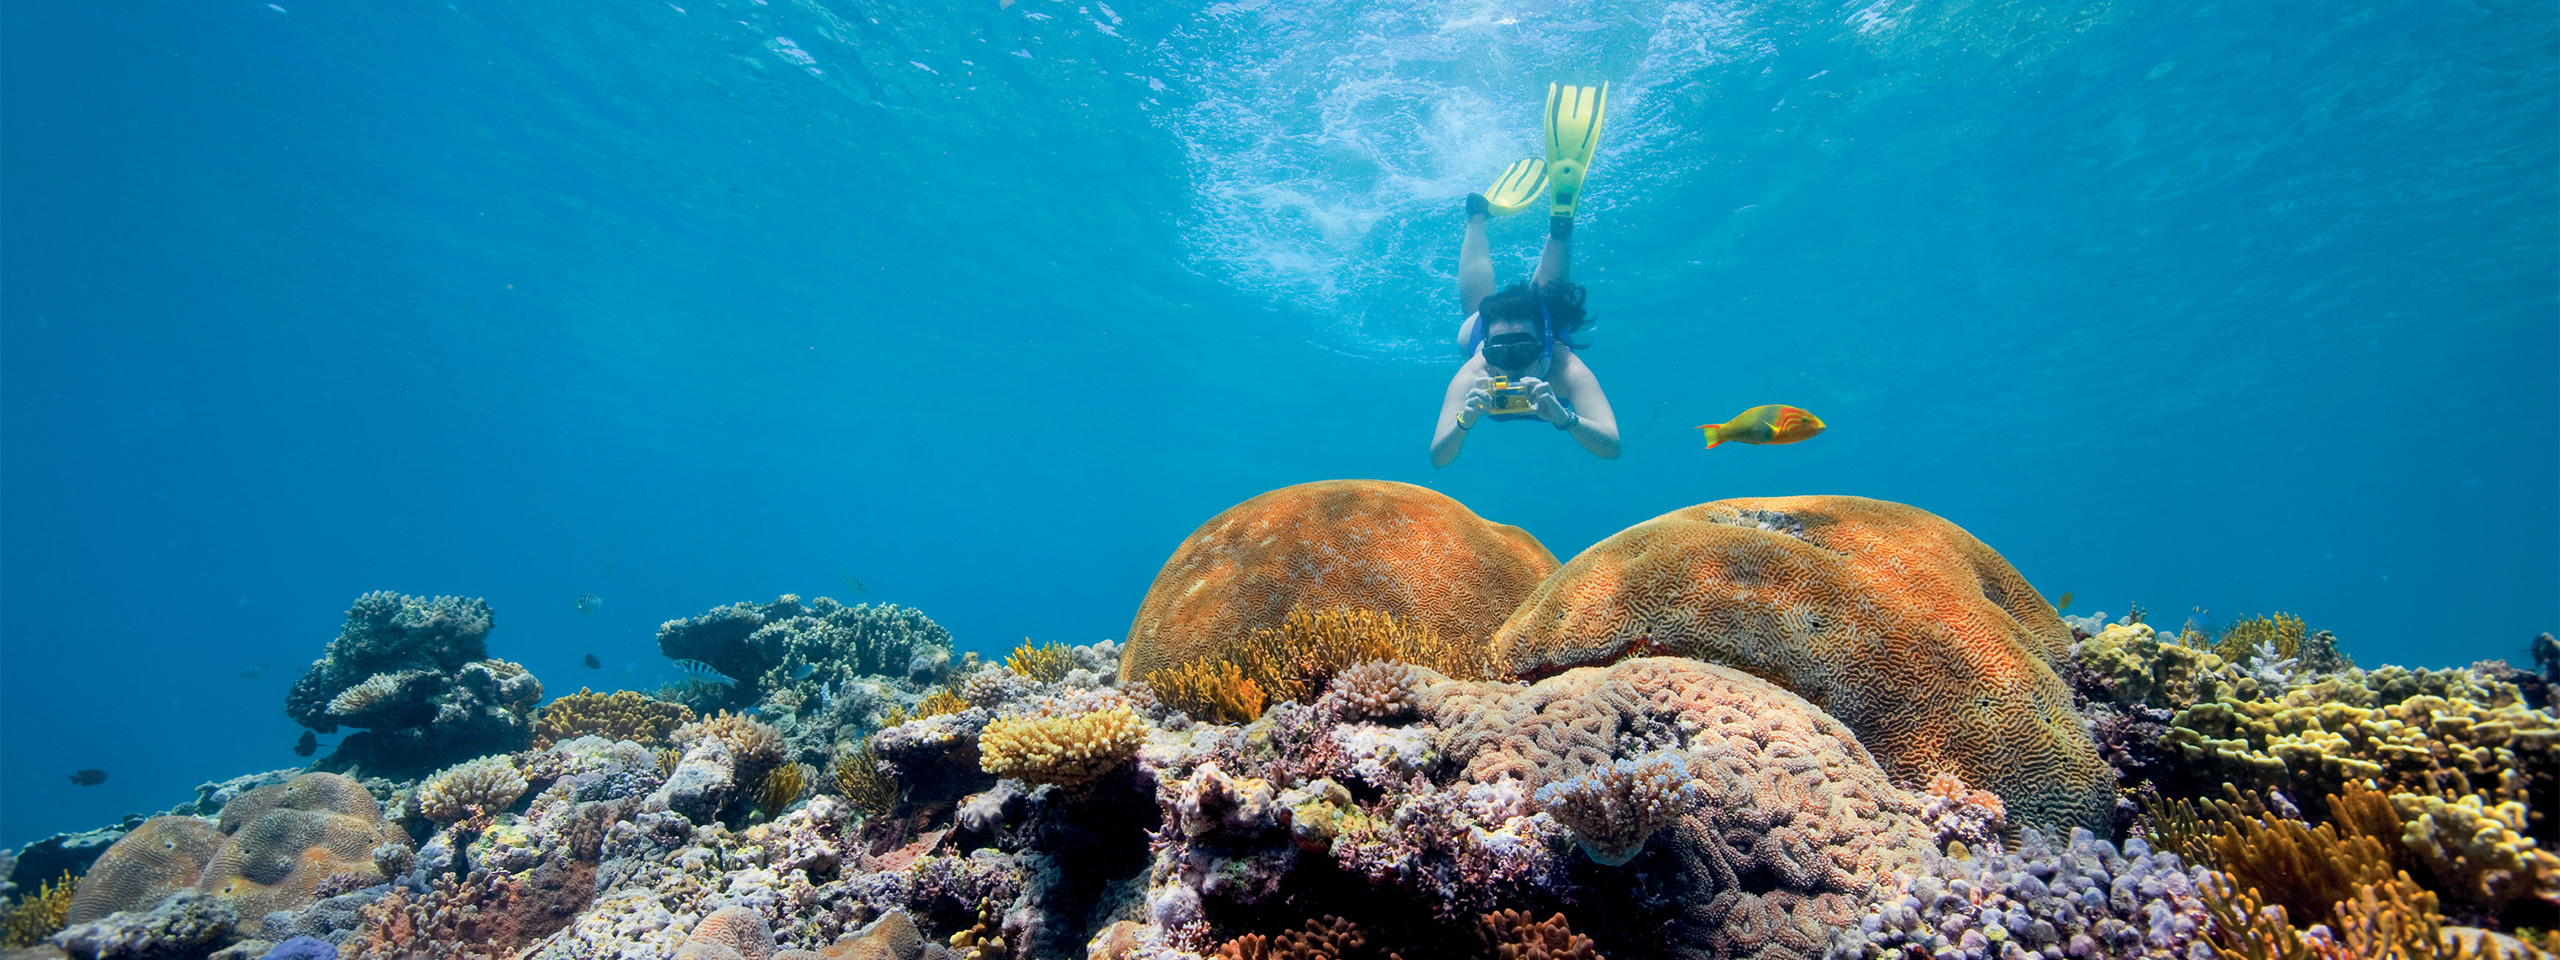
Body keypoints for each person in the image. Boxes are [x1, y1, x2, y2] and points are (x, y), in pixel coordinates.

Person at [1431, 82, 1621, 468]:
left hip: (1525, 335)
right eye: (1501, 351)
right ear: (1488, 350)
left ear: (1545, 344)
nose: (1513, 363)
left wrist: (1565, 418)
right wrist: (1463, 421)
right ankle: (1559, 228)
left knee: (1479, 306)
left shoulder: (1566, 370)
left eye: (1523, 350)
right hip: (1511, 327)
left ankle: (1477, 217)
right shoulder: (1476, 372)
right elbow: (1439, 457)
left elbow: (1612, 446)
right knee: (1535, 299)